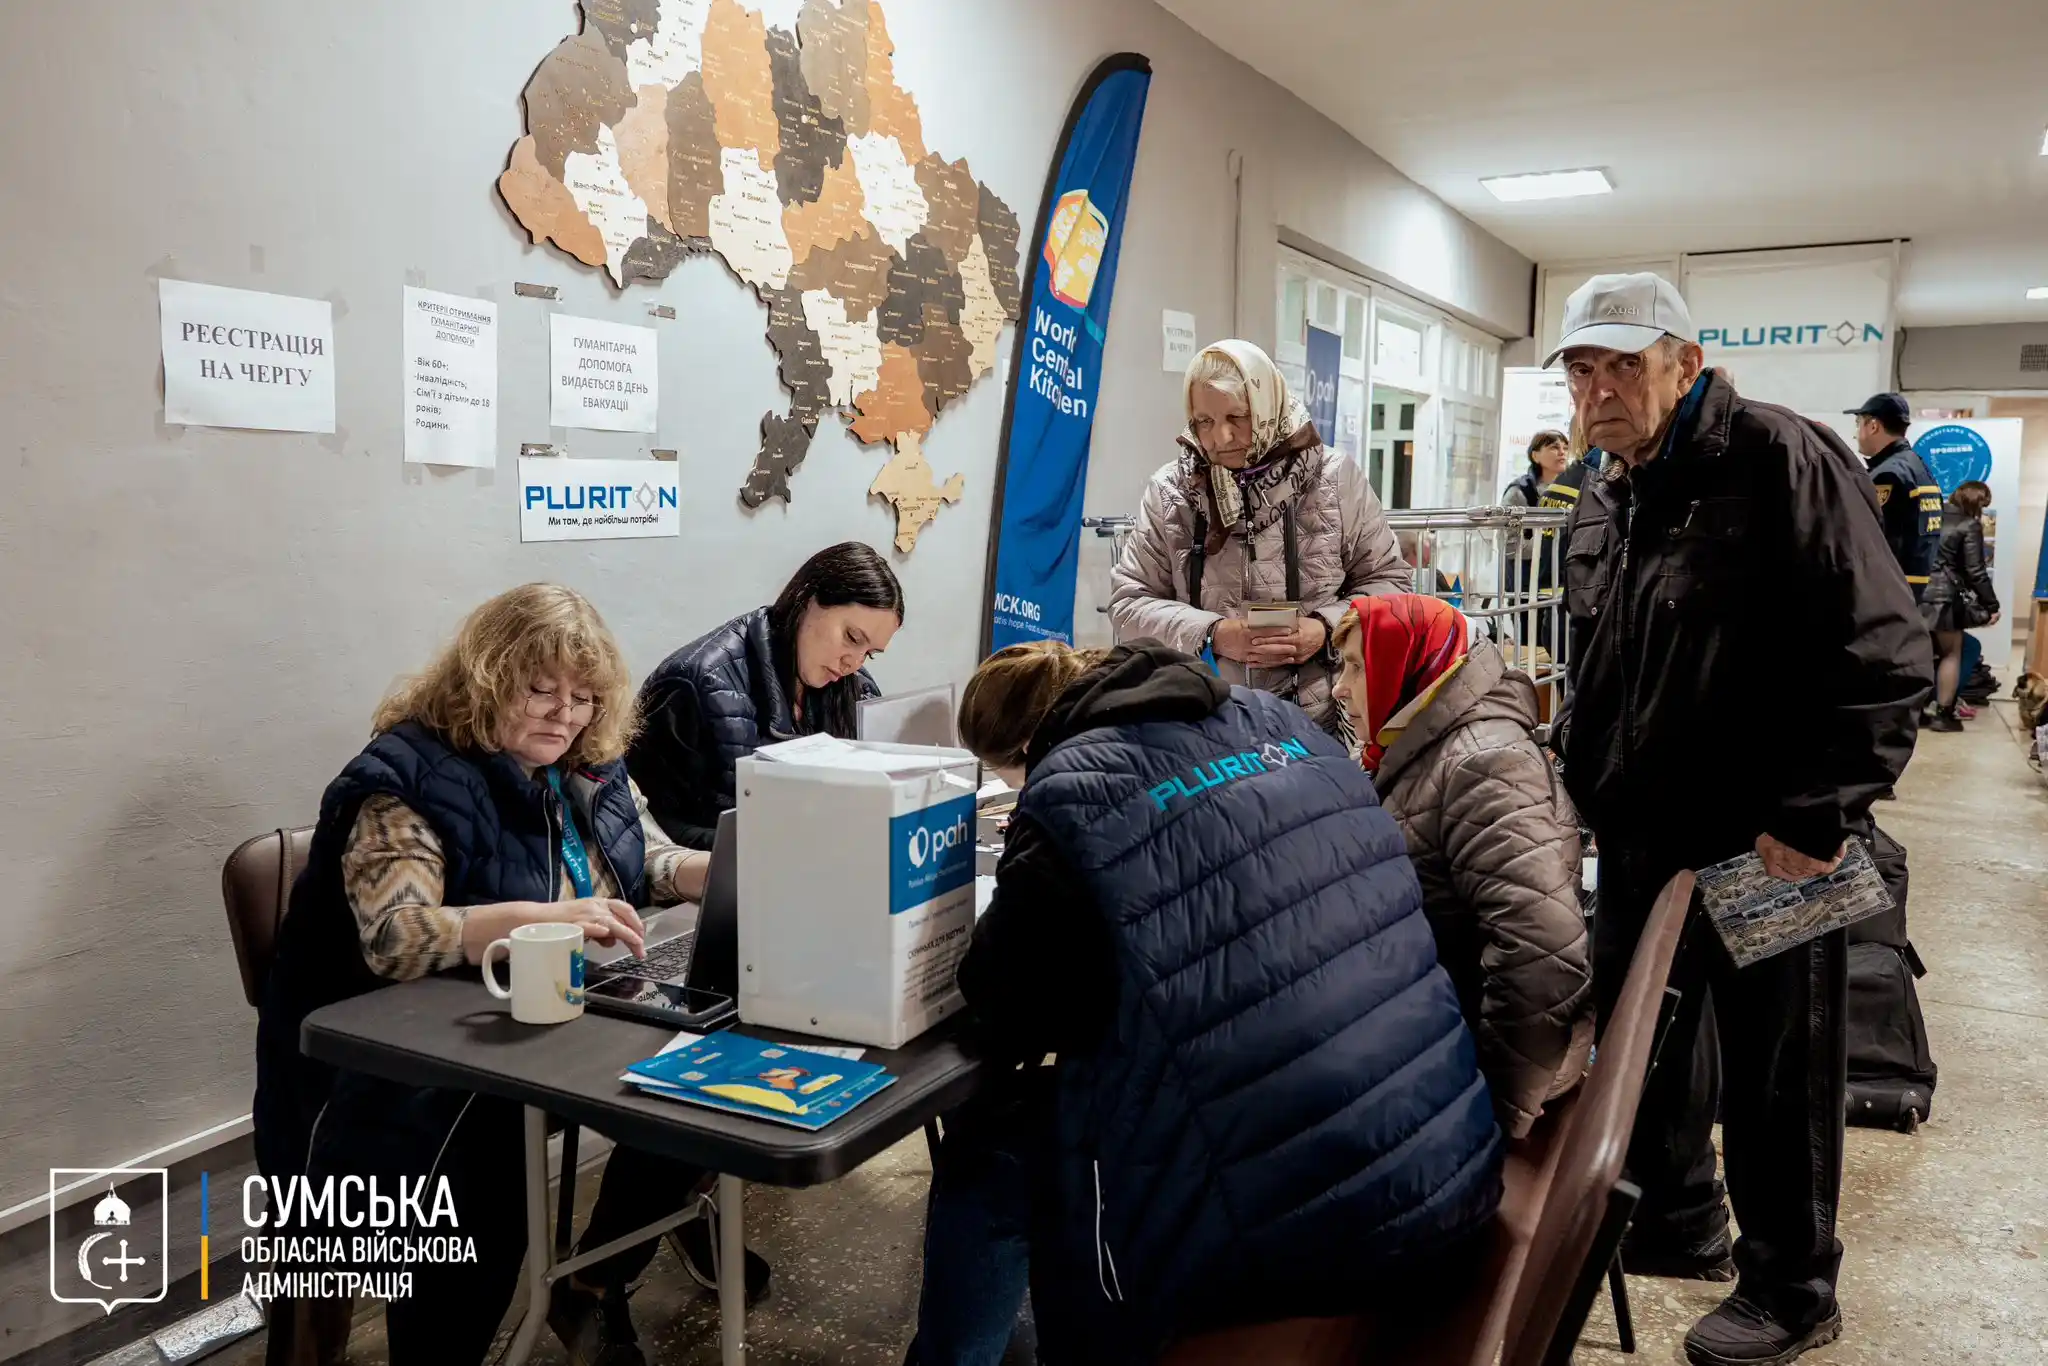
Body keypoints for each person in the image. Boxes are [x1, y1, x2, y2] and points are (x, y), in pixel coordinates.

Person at [907, 639, 1503, 1365]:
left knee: (995, 1138)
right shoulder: (1286, 727)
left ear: (1032, 743)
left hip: (1299, 1230)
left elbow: (1007, 1004)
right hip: (1446, 1165)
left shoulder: (1071, 790)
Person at [1549, 273, 1932, 1366]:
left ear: (1685, 358)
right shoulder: (1607, 485)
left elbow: (1882, 653)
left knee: (1776, 1071)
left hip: (1770, 836)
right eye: (1582, 370)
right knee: (1643, 1046)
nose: (1600, 390)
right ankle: (1680, 1220)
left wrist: (1814, 814)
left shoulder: (1779, 457)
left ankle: (1793, 1288)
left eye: (1622, 363)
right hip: (1640, 835)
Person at [253, 584, 761, 1366]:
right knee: (483, 1190)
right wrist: (538, 918)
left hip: (528, 1026)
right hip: (382, 1070)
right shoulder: (405, 779)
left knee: (699, 1105)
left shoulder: (585, 764)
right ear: (486, 679)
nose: (565, 713)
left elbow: (635, 863)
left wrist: (718, 868)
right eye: (541, 689)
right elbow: (398, 936)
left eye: (584, 697)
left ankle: (590, 1282)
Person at [1331, 593, 1592, 1140]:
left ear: (1408, 666)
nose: (1338, 688)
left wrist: (1493, 1115)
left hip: (1474, 1053)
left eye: (1357, 667)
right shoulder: (1418, 746)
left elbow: (1544, 956)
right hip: (1439, 1025)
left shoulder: (1483, 762)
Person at [1109, 339, 1409, 736]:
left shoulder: (1334, 479)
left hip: (1321, 724)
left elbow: (1391, 584)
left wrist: (1325, 629)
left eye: (1239, 416)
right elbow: (1130, 602)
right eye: (1204, 421)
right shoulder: (1171, 491)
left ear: (1268, 405)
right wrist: (1213, 634)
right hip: (1202, 724)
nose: (1221, 437)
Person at [630, 541, 903, 847]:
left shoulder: (857, 688)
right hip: (712, 884)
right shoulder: (693, 684)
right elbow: (647, 828)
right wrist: (772, 845)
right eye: (852, 637)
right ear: (808, 599)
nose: (853, 663)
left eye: (870, 653)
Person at [1846, 393, 1943, 607]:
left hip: (1888, 591)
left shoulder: (1888, 474)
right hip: (1914, 587)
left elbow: (1873, 539)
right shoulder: (1917, 466)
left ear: (1873, 426)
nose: (1856, 434)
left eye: (1858, 424)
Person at [1922, 480, 2000, 732]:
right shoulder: (1969, 525)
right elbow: (1976, 571)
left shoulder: (1931, 517)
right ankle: (1943, 714)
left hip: (1915, 593)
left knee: (1922, 654)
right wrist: (1991, 604)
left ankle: (1920, 710)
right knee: (1951, 653)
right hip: (1943, 599)